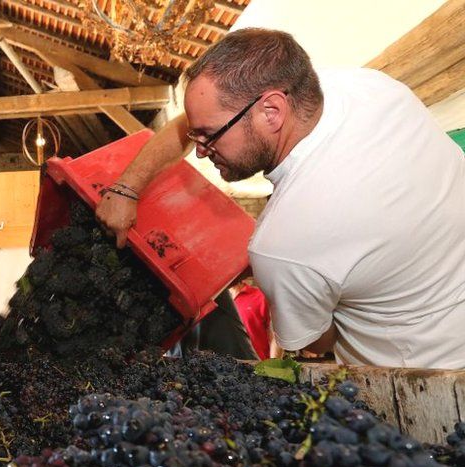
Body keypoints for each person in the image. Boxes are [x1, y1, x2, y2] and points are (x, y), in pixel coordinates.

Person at [97, 28, 465, 369]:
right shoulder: (369, 87)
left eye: (209, 136)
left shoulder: (286, 239)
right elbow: (196, 121)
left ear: (271, 111)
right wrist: (126, 187)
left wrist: (293, 281)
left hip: (429, 383)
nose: (200, 151)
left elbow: (318, 342)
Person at [229, 278, 280, 361]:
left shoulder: (261, 297)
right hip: (226, 367)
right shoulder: (215, 301)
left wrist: (273, 367)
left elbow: (276, 336)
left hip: (259, 366)